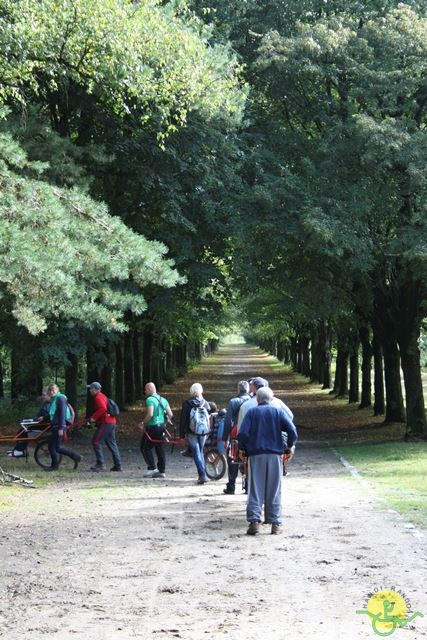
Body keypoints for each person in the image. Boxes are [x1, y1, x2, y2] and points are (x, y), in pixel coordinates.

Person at [238, 386, 298, 536]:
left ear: (257, 399)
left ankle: (254, 523)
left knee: (255, 489)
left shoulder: (252, 412)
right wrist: (289, 446)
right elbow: (292, 430)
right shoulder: (277, 412)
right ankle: (275, 523)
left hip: (255, 454)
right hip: (274, 455)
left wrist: (242, 449)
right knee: (274, 489)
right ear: (271, 399)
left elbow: (243, 433)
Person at [179, 383, 212, 484]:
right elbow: (210, 414)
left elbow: (183, 420)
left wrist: (181, 435)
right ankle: (203, 475)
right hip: (203, 432)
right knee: (200, 451)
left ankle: (202, 475)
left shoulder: (187, 404)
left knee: (196, 453)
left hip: (191, 432)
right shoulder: (205, 403)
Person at [138, 382, 173, 478]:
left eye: (145, 389)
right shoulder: (163, 400)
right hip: (161, 426)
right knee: (159, 448)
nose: (145, 392)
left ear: (149, 389)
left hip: (152, 427)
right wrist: (164, 423)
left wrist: (142, 423)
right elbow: (170, 414)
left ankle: (152, 468)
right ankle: (161, 471)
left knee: (145, 447)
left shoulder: (150, 399)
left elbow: (150, 414)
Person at [222, 380, 251, 495]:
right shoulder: (253, 401)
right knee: (248, 459)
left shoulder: (233, 402)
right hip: (250, 435)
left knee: (233, 458)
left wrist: (225, 438)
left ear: (238, 389)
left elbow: (228, 421)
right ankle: (248, 485)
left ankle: (231, 486)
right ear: (248, 389)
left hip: (236, 434)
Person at [45, 383, 82, 472]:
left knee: (56, 447)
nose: (52, 392)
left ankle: (75, 456)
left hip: (59, 426)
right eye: (50, 390)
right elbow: (54, 414)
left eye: (53, 390)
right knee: (52, 446)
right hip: (55, 426)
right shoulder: (54, 399)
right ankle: (54, 465)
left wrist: (61, 428)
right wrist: (44, 417)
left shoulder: (60, 398)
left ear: (57, 390)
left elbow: (61, 414)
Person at [7, 387, 51, 458]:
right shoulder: (46, 403)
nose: (42, 397)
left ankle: (19, 451)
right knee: (20, 431)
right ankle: (18, 449)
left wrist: (38, 420)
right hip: (39, 423)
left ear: (49, 395)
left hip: (43, 425)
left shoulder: (50, 405)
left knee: (24, 432)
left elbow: (48, 416)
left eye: (44, 395)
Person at [87, 381, 122, 472]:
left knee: (96, 442)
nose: (90, 390)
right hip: (111, 422)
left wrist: (93, 418)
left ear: (95, 390)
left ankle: (100, 464)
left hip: (106, 422)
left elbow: (103, 408)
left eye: (90, 389)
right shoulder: (102, 396)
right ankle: (118, 465)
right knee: (112, 443)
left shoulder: (98, 397)